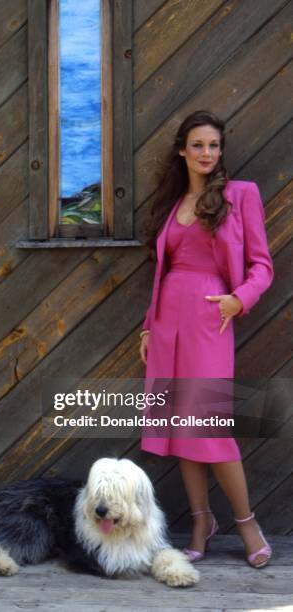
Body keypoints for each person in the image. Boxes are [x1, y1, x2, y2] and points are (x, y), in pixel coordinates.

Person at [139, 110, 274, 568]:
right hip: (166, 324)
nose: (207, 153)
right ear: (182, 149)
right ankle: (201, 522)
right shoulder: (173, 202)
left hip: (209, 321)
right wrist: (147, 325)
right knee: (180, 428)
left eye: (214, 146)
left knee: (210, 428)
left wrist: (239, 299)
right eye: (198, 145)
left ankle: (245, 522)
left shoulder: (241, 195)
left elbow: (262, 265)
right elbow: (164, 272)